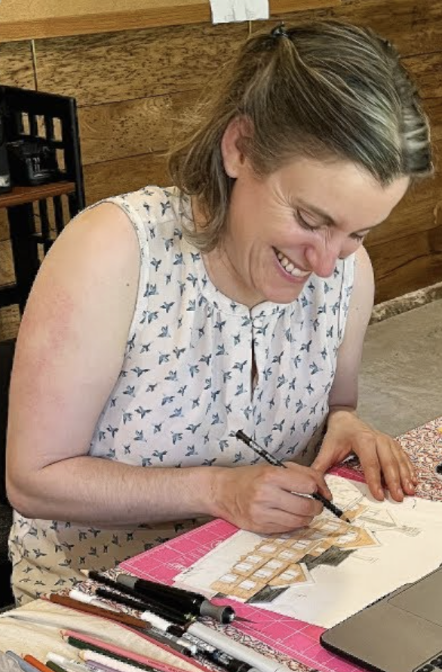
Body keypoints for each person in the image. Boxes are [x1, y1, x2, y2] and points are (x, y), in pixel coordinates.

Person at [6, 20, 432, 605]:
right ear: (240, 148)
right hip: (103, 595)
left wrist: (345, 425)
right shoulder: (114, 253)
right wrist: (216, 490)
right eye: (310, 220)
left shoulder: (348, 275)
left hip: (258, 580)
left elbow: (335, 404)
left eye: (357, 232)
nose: (328, 265)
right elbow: (33, 480)